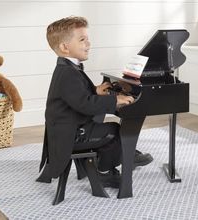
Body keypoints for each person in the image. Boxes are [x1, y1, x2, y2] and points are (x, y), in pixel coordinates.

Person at [38, 16, 153, 188]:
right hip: (72, 134)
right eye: (82, 40)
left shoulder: (68, 67)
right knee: (115, 131)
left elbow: (76, 96)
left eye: (87, 39)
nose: (88, 44)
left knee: (110, 128)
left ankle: (125, 156)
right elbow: (85, 104)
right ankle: (104, 172)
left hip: (68, 127)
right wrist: (115, 100)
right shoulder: (68, 73)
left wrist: (95, 90)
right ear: (64, 47)